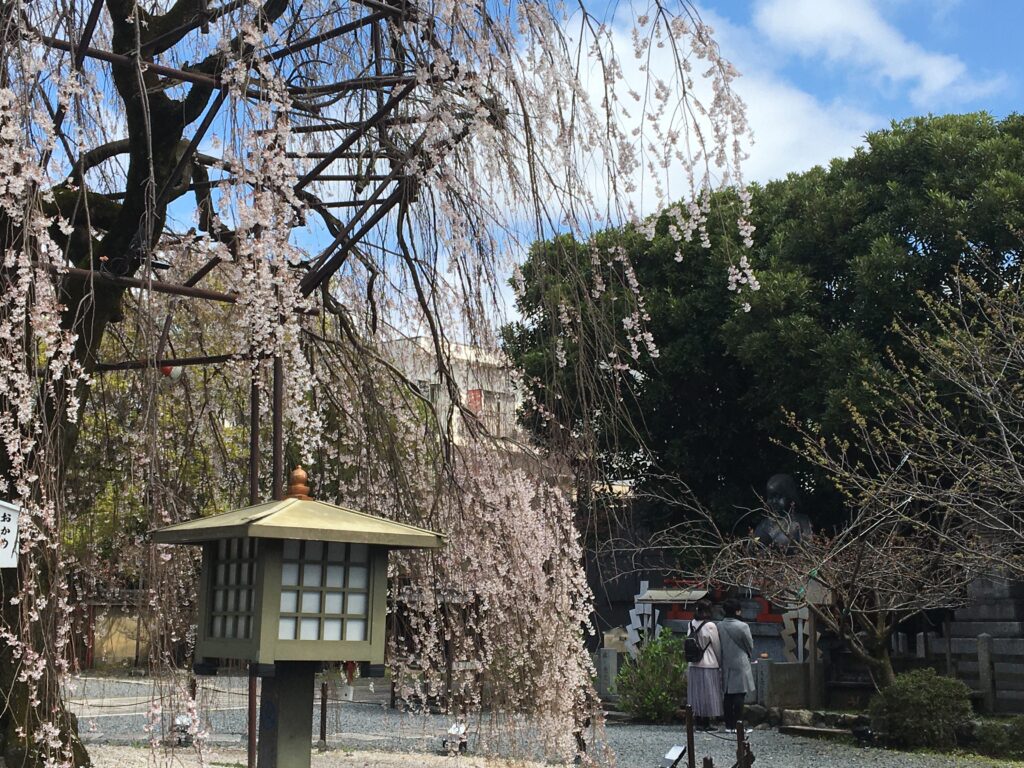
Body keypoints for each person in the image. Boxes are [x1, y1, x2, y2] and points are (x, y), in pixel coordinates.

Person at [717, 598, 755, 733]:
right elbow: (749, 645)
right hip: (740, 661)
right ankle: (739, 726)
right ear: (737, 611)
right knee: (740, 694)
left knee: (728, 695)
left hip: (725, 661)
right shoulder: (743, 626)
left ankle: (729, 725)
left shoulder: (719, 625)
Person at [686, 599, 723, 730]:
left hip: (694, 663)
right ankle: (706, 723)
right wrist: (720, 662)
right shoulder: (710, 625)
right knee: (708, 693)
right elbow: (716, 645)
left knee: (696, 693)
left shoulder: (691, 624)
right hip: (708, 662)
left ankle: (698, 721)